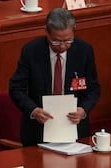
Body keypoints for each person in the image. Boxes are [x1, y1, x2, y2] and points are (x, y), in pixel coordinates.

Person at [9, 8, 101, 146]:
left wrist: (83, 110)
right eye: (57, 42)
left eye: (68, 41)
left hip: (75, 128)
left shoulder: (84, 51)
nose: (63, 46)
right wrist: (34, 110)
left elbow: (94, 89)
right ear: (46, 32)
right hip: (38, 130)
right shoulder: (31, 51)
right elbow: (16, 88)